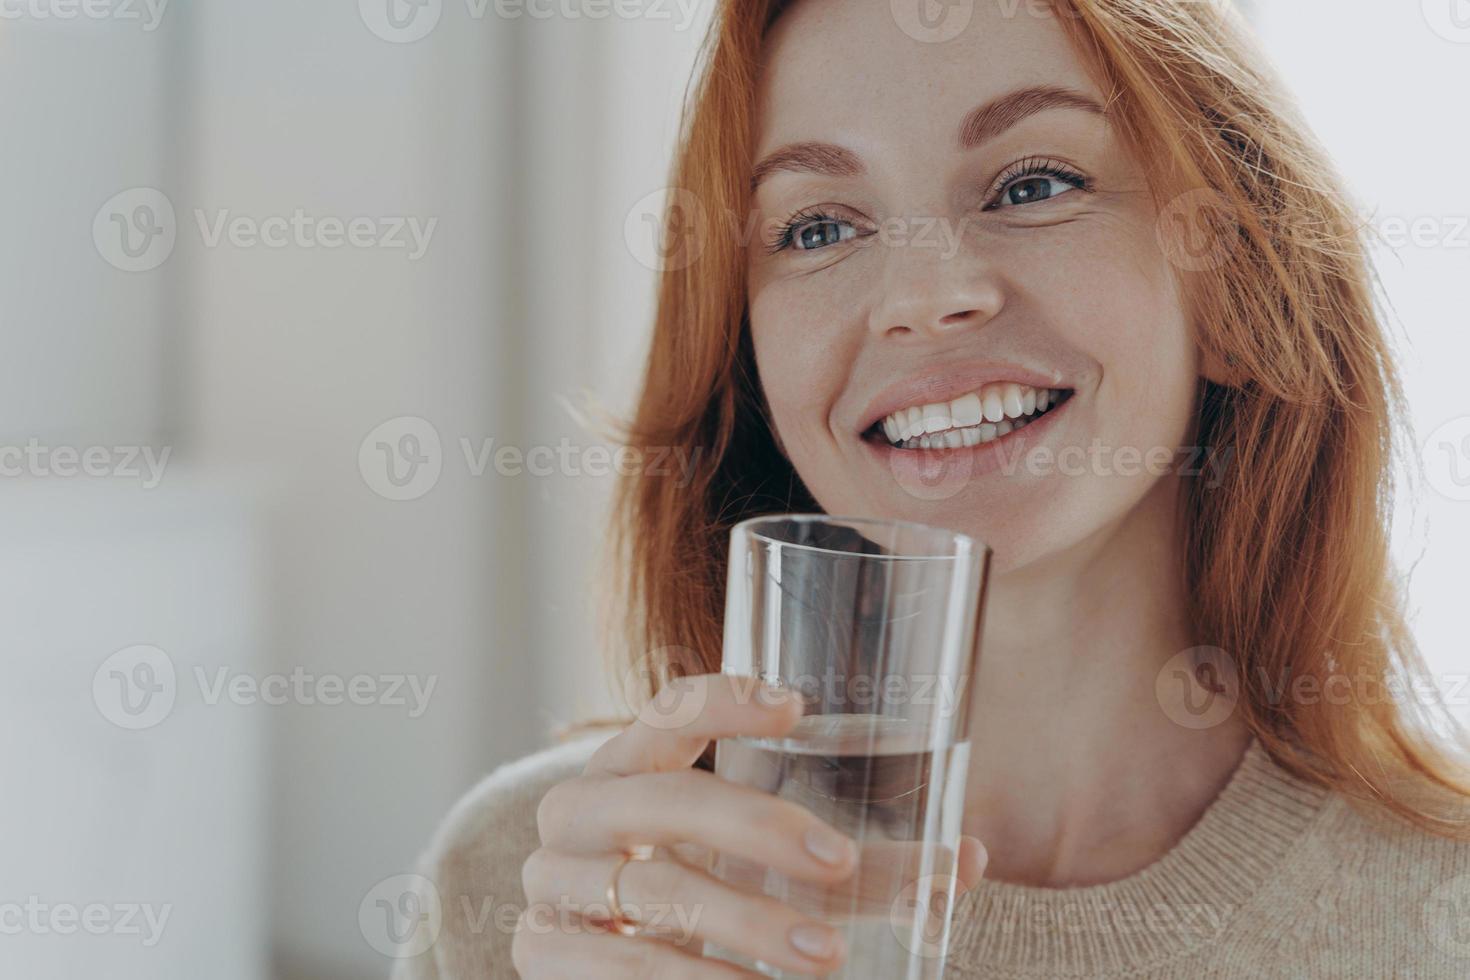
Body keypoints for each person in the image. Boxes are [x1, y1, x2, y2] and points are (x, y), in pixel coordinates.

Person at [395, 1, 1470, 976]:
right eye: (818, 226)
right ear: (748, 362)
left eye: (1034, 183)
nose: (926, 294)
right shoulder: (545, 887)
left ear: (1239, 286)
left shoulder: (1442, 908)